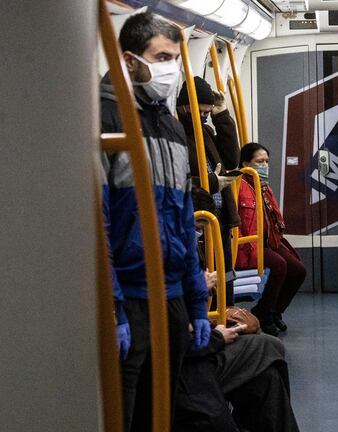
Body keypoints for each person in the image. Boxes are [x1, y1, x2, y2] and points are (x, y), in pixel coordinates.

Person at [100, 12, 210, 431]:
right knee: (124, 417)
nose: (172, 69)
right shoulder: (104, 120)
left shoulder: (171, 126)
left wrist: (197, 301)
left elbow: (183, 219)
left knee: (164, 414)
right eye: (162, 57)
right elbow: (100, 224)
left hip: (171, 293)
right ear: (129, 60)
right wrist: (113, 309)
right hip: (128, 296)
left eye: (176, 59)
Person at [173, 275, 300, 432]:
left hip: (188, 351)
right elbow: (170, 336)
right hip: (180, 366)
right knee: (270, 347)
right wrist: (217, 337)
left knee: (266, 378)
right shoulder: (150, 280)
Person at [178, 76, 241, 308]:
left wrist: (221, 114)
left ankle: (228, 317)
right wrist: (213, 183)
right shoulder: (177, 136)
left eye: (208, 112)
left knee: (225, 276)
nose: (205, 116)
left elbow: (232, 157)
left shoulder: (205, 133)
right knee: (207, 280)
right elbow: (178, 181)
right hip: (199, 219)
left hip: (219, 216)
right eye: (202, 111)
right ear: (184, 107)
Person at [236, 143, 306, 336]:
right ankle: (264, 314)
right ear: (245, 164)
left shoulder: (265, 188)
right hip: (250, 244)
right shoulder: (239, 186)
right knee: (279, 266)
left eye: (266, 161)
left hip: (269, 240)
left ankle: (275, 311)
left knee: (299, 270)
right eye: (259, 162)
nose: (264, 165)